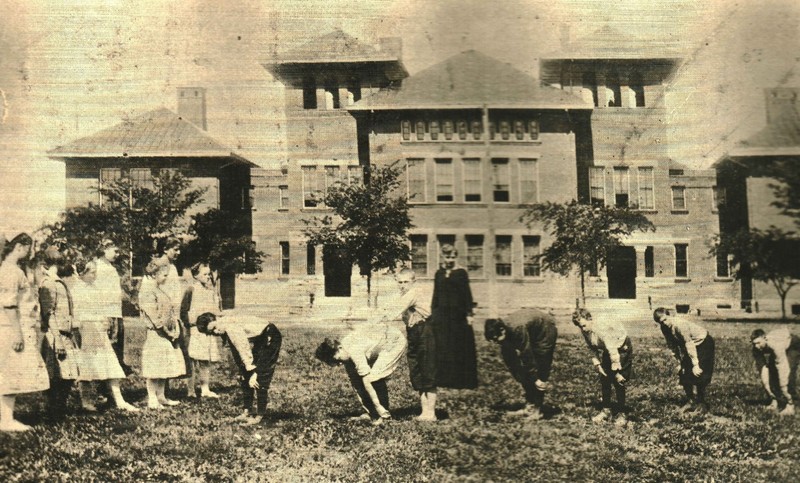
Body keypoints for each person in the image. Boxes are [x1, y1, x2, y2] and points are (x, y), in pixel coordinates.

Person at [71, 260, 139, 412]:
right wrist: (92, 321)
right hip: (87, 330)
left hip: (100, 330)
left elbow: (101, 307)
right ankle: (86, 401)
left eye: (96, 272)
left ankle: (119, 400)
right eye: (92, 272)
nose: (95, 275)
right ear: (82, 274)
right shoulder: (77, 289)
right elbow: (77, 314)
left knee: (110, 363)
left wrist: (105, 320)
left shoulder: (95, 287)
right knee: (87, 365)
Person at [0, 234, 49, 431]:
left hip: (14, 326)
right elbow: (9, 304)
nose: (30, 253)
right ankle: (6, 419)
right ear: (19, 247)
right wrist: (17, 333)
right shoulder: (11, 272)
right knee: (11, 372)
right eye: (29, 249)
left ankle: (6, 417)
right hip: (13, 328)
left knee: (10, 372)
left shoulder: (10, 270)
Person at [196, 313, 281, 425]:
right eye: (212, 333)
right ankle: (247, 411)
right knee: (244, 377)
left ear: (216, 319)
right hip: (261, 339)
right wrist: (242, 370)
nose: (216, 332)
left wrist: (253, 371)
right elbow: (235, 352)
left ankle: (260, 415)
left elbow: (243, 348)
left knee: (260, 376)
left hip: (271, 336)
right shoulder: (223, 328)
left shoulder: (230, 326)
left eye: (214, 328)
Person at [315, 323, 407, 425]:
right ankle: (373, 414)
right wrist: (370, 411)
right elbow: (356, 384)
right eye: (336, 363)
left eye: (338, 360)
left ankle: (384, 416)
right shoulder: (345, 352)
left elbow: (367, 380)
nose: (340, 364)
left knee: (373, 378)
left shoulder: (354, 350)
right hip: (378, 344)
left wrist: (380, 410)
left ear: (340, 347)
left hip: (394, 341)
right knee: (358, 380)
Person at [379, 268, 437, 421]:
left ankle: (431, 413)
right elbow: (390, 306)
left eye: (406, 282)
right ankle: (425, 412)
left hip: (425, 330)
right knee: (416, 369)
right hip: (413, 332)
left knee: (427, 369)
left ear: (413, 282)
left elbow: (393, 310)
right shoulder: (402, 295)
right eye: (400, 282)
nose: (403, 285)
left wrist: (379, 318)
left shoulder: (414, 293)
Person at [484, 309, 558, 421]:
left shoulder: (517, 329)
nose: (496, 343)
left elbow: (526, 354)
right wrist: (520, 376)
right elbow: (510, 359)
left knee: (540, 368)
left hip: (544, 330)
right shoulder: (504, 330)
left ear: (502, 330)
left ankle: (537, 410)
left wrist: (535, 378)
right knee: (520, 370)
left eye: (496, 339)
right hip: (531, 329)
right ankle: (530, 405)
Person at [38, 246, 81, 421]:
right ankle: (53, 412)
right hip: (56, 335)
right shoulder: (49, 283)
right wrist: (58, 340)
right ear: (56, 262)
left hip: (66, 333)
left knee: (68, 375)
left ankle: (59, 410)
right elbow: (49, 314)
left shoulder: (58, 282)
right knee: (56, 376)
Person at [572, 308, 633, 424]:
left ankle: (622, 413)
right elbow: (592, 348)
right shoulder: (585, 331)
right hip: (608, 348)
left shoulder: (600, 329)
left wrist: (616, 371)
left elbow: (612, 350)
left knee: (619, 380)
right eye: (580, 327)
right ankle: (606, 410)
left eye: (584, 325)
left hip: (620, 347)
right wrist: (598, 364)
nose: (582, 329)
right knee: (604, 378)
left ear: (589, 319)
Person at [139, 258, 186, 409]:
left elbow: (170, 313)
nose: (166, 278)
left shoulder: (160, 290)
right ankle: (152, 398)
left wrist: (175, 329)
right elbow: (154, 317)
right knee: (154, 367)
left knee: (163, 365)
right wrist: (166, 332)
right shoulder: (147, 291)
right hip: (157, 334)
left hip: (167, 334)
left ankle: (161, 396)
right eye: (164, 275)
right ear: (155, 274)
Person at [430, 244, 478, 390]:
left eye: (453, 257)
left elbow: (467, 294)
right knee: (443, 346)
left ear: (456, 257)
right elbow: (436, 294)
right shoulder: (439, 273)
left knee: (458, 346)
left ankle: (461, 380)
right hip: (442, 316)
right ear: (442, 256)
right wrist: (433, 312)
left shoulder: (461, 273)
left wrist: (469, 313)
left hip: (458, 316)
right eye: (447, 256)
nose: (450, 259)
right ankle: (444, 379)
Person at [653, 307, 715, 413]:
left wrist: (695, 364)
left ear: (670, 315)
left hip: (703, 343)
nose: (664, 323)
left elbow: (689, 344)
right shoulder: (664, 328)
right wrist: (679, 362)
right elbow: (672, 345)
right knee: (684, 373)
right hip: (689, 346)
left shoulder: (679, 325)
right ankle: (690, 401)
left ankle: (701, 403)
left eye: (665, 319)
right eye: (661, 322)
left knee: (698, 373)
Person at [183, 263, 224, 398]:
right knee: (193, 359)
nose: (208, 277)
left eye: (209, 274)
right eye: (204, 274)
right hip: (195, 330)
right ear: (196, 275)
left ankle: (205, 388)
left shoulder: (210, 291)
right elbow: (184, 310)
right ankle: (190, 390)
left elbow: (214, 310)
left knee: (205, 360)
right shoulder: (191, 289)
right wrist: (188, 324)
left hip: (207, 331)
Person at [93, 239, 133, 376]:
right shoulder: (97, 267)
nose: (118, 254)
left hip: (116, 312)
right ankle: (104, 388)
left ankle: (112, 385)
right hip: (106, 314)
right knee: (107, 348)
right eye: (115, 251)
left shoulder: (110, 268)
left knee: (116, 347)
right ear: (105, 249)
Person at [750, 328, 799, 416]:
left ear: (765, 338)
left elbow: (783, 369)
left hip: (792, 344)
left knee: (788, 373)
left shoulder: (776, 345)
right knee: (772, 370)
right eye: (754, 344)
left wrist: (784, 389)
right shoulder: (756, 349)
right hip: (779, 342)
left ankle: (791, 404)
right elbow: (763, 370)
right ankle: (776, 400)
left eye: (758, 343)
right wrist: (771, 394)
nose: (757, 346)